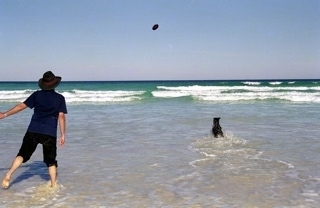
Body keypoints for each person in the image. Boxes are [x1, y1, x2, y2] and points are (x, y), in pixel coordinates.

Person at [1, 71, 67, 189]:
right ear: (55, 84)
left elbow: (21, 106)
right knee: (51, 160)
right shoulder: (60, 98)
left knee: (22, 154)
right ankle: (53, 185)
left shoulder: (36, 95)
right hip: (49, 132)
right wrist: (63, 135)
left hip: (33, 130)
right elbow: (61, 116)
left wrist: (5, 114)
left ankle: (8, 174)